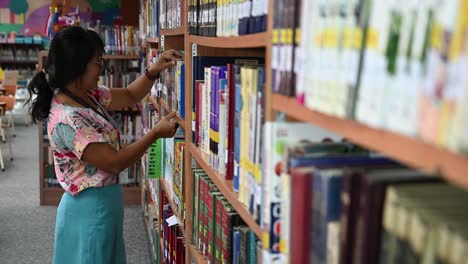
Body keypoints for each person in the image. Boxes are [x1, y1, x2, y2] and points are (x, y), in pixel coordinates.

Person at [26, 26, 182, 264]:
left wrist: (153, 70)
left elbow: (129, 95)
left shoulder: (88, 95)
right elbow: (115, 162)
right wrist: (155, 133)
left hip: (103, 204)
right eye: (97, 62)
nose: (103, 68)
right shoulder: (68, 119)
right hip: (89, 210)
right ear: (77, 67)